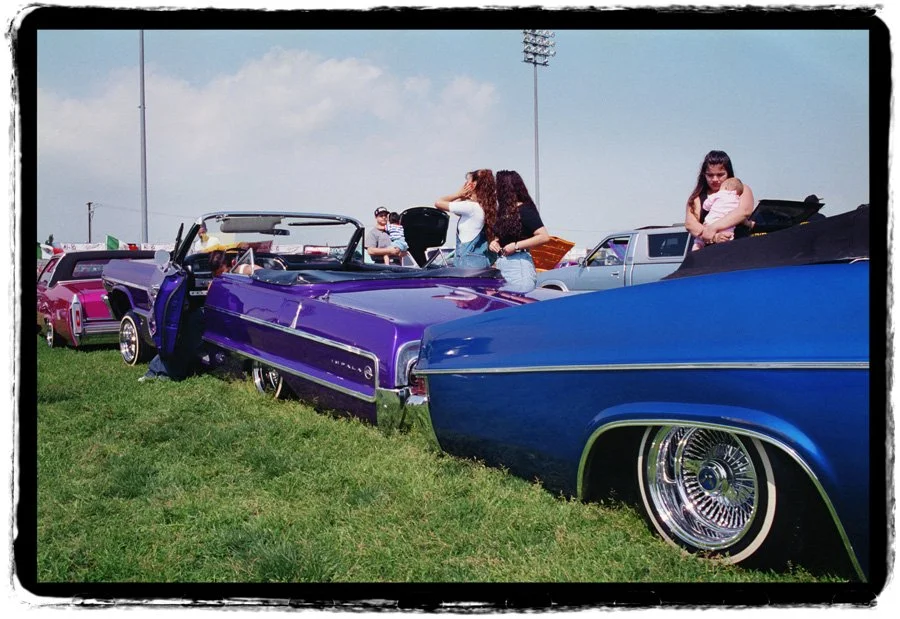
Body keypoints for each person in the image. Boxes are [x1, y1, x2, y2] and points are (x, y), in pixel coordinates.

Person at [139, 251, 226, 382]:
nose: (216, 274)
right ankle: (158, 370)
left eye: (219, 270)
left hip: (219, 316)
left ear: (231, 263)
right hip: (213, 313)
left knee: (188, 329)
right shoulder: (225, 278)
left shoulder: (243, 272)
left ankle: (164, 371)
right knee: (183, 330)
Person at [488, 170, 551, 293]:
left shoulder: (525, 210)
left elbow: (544, 236)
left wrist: (516, 246)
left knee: (518, 303)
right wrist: (494, 242)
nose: (495, 191)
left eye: (497, 186)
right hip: (503, 264)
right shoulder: (503, 212)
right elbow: (504, 236)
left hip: (519, 264)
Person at [685, 150, 755, 246]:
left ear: (728, 173)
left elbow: (744, 211)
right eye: (710, 175)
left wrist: (713, 228)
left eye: (720, 175)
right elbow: (690, 224)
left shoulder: (742, 189)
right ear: (704, 175)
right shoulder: (697, 197)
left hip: (739, 249)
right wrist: (714, 237)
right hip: (709, 253)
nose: (715, 179)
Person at [433, 169, 496, 269]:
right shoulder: (483, 208)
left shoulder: (471, 208)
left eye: (467, 182)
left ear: (473, 185)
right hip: (480, 262)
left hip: (468, 265)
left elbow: (438, 203)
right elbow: (457, 208)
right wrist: (463, 196)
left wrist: (458, 194)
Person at [692, 176, 744, 251]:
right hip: (727, 227)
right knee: (727, 240)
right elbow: (740, 214)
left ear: (725, 188)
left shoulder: (719, 194)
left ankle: (697, 247)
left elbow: (706, 205)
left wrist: (707, 207)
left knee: (699, 241)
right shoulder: (738, 200)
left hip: (711, 222)